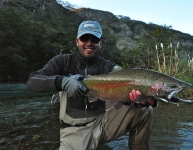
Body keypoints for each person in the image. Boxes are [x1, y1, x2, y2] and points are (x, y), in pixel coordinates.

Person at [27, 20, 155, 150]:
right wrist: (63, 81)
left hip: (104, 124)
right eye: (84, 38)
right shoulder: (63, 61)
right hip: (75, 131)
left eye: (94, 39)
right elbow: (32, 81)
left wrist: (139, 99)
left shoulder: (109, 67)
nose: (89, 43)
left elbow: (126, 94)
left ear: (100, 43)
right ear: (77, 41)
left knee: (144, 110)